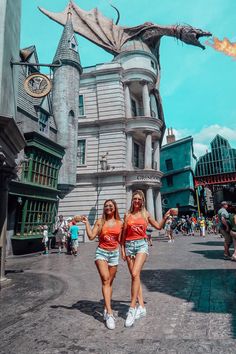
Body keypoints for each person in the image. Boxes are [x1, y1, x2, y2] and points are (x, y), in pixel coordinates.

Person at [121, 190, 170, 328]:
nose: (136, 201)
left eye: (139, 199)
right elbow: (123, 235)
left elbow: (158, 226)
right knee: (134, 277)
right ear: (132, 200)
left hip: (142, 245)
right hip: (129, 246)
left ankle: (132, 308)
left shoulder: (146, 214)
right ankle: (142, 307)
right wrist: (122, 250)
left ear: (142, 201)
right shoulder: (127, 215)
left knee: (135, 273)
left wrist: (165, 217)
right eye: (134, 198)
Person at [80, 199, 123, 330]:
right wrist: (87, 223)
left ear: (115, 208)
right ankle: (109, 314)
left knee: (109, 283)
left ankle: (106, 307)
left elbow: (121, 240)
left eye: (110, 206)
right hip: (101, 253)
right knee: (105, 279)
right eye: (106, 206)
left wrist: (125, 252)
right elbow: (92, 236)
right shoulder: (100, 221)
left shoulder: (120, 223)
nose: (108, 208)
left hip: (114, 254)